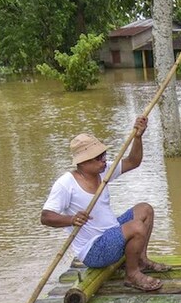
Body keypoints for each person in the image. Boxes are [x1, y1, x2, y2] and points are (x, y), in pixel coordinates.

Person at [41, 116, 169, 292]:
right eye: (98, 158)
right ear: (83, 162)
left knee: (145, 209)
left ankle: (140, 259)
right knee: (136, 227)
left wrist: (138, 137)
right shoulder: (66, 184)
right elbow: (46, 217)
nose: (104, 160)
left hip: (112, 233)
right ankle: (132, 275)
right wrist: (71, 219)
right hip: (94, 250)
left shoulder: (103, 171)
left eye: (104, 156)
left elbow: (133, 162)